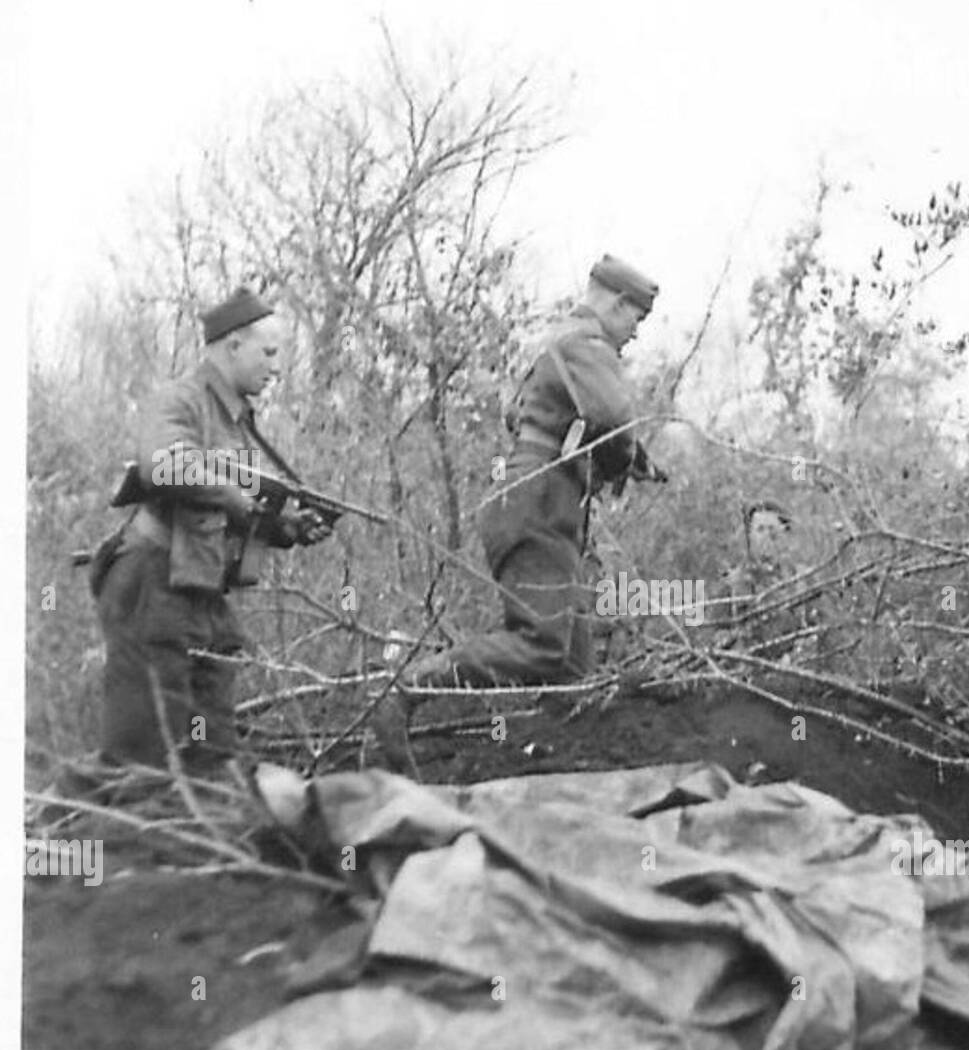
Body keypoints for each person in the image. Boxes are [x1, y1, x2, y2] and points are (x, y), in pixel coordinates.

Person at [373, 254, 663, 769]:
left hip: (534, 492)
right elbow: (616, 418)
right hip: (541, 499)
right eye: (636, 319)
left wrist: (618, 457)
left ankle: (570, 778)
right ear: (616, 304)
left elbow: (527, 416)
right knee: (542, 647)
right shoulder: (585, 342)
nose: (636, 334)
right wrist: (622, 460)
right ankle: (410, 688)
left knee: (574, 678)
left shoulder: (555, 342)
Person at [92, 287, 333, 774]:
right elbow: (163, 465)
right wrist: (241, 501)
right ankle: (64, 840)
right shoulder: (180, 400)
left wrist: (284, 526)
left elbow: (229, 510)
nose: (276, 367)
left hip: (199, 596)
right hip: (151, 587)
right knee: (140, 762)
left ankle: (199, 838)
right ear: (232, 346)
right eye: (268, 352)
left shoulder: (240, 424)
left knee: (213, 757)